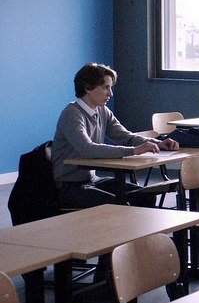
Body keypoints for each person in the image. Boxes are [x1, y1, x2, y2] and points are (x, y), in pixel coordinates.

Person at [51, 62, 180, 208]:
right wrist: (133, 151)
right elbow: (87, 149)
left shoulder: (102, 111)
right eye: (105, 87)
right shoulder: (72, 114)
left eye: (110, 87)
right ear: (88, 88)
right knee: (120, 205)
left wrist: (158, 143)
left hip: (93, 180)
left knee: (144, 196)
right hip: (69, 185)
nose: (110, 94)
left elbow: (126, 137)